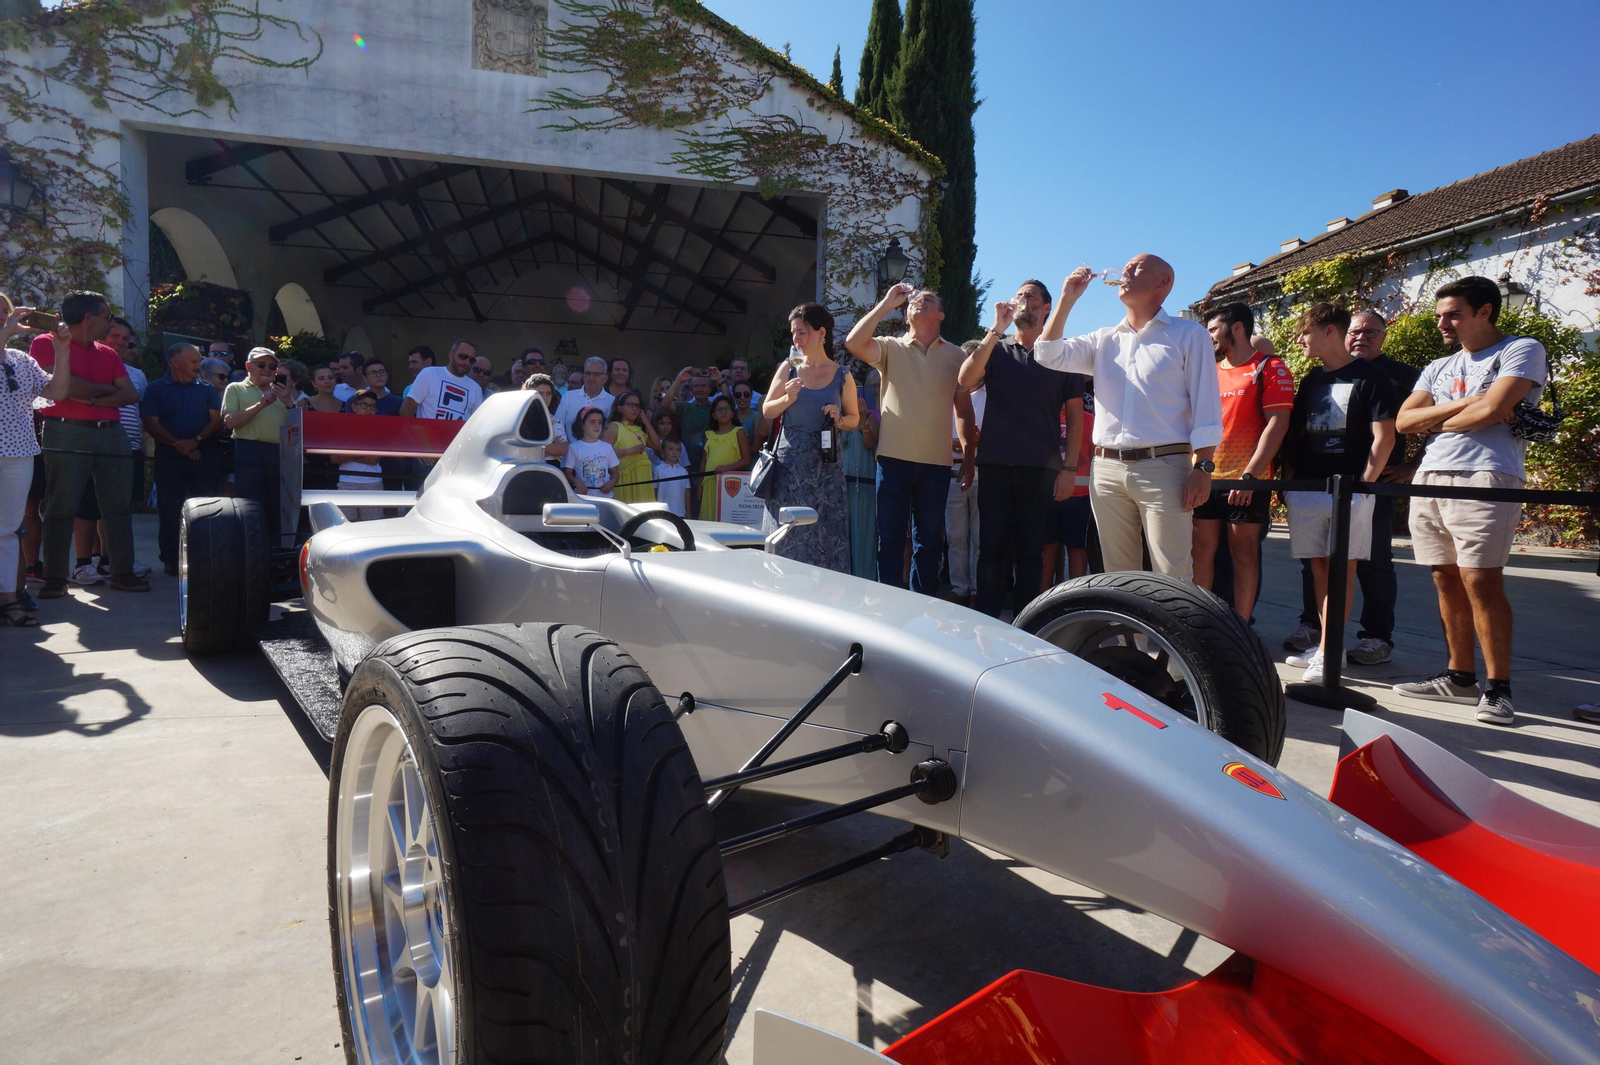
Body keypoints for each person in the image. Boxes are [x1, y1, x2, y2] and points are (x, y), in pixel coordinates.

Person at [1392, 277, 1547, 726]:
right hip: (1431, 475)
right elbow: (1404, 420)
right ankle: (1459, 677)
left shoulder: (1521, 349)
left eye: (1453, 314)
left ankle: (1499, 688)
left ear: (1485, 312)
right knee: (1444, 577)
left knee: (1481, 579)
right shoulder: (1439, 365)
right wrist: (1470, 405)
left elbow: (1494, 410)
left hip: (1487, 474)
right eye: (1440, 314)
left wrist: (1445, 416)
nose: (1443, 322)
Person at [1034, 257, 1223, 580]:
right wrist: (1067, 300)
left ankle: (1173, 633)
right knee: (1119, 575)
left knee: (1172, 572)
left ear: (1163, 282)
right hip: (1106, 469)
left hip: (1164, 467)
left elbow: (1207, 404)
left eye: (1136, 268)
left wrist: (1203, 466)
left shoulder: (1189, 334)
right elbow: (1047, 354)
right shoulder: (1104, 338)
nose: (1125, 272)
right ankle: (1130, 634)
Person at [1280, 302, 1397, 684]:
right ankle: (1326, 644)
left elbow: (1385, 436)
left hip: (1351, 490)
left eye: (1306, 332)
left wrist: (1364, 485)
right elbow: (1296, 433)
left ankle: (1331, 652)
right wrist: (1290, 482)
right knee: (1317, 565)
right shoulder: (1312, 380)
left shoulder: (1373, 376)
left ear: (1330, 331)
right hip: (1309, 487)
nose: (1300, 339)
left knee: (1343, 567)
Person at [959, 281, 1084, 617]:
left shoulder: (1062, 355)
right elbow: (966, 380)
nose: (1021, 301)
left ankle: (1025, 626)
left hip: (1040, 472)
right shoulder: (996, 350)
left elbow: (1075, 417)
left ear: (1046, 309)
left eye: (1030, 296)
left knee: (1032, 553)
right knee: (991, 551)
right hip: (996, 467)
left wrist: (1069, 469)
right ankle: (986, 620)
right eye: (1019, 295)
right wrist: (995, 331)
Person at [843, 283, 965, 593]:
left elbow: (964, 409)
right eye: (914, 300)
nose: (919, 301)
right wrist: (886, 304)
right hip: (893, 459)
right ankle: (888, 605)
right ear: (906, 313)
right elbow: (854, 342)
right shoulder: (890, 346)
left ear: (941, 314)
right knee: (891, 539)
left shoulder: (957, 355)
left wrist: (970, 456)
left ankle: (921, 607)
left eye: (929, 299)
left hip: (936, 463)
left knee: (928, 543)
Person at [30, 291, 147, 597]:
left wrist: (90, 394)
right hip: (65, 431)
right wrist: (106, 391)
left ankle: (122, 571)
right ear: (88, 318)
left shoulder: (107, 354)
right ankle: (56, 578)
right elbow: (62, 386)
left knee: (118, 507)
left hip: (112, 433)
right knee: (60, 506)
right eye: (108, 317)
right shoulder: (46, 342)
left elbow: (130, 395)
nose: (111, 324)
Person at [1194, 302, 1293, 624]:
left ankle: (1241, 628)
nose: (1208, 337)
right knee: (1200, 554)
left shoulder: (1271, 367)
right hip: (1207, 477)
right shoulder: (1208, 372)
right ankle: (1201, 623)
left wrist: (1249, 475)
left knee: (1244, 555)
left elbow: (1278, 424)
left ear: (1236, 327)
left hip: (1247, 479)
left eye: (1213, 329)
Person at [761, 303, 859, 571]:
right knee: (787, 539)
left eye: (801, 332)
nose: (796, 339)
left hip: (826, 468)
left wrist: (839, 419)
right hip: (788, 468)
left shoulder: (842, 374)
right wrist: (788, 397)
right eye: (794, 333)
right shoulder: (788, 368)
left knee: (826, 537)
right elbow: (767, 410)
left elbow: (854, 420)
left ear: (821, 333)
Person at [2, 302, 74, 625]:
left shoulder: (21, 360)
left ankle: (9, 601)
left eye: (4, 313)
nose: (5, 318)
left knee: (6, 532)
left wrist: (62, 349)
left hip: (18, 454)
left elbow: (58, 391)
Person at [141, 343, 223, 576]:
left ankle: (204, 556)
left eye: (199, 361)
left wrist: (195, 441)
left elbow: (215, 421)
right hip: (169, 457)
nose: (199, 365)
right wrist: (179, 445)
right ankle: (170, 559)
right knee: (170, 508)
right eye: (194, 361)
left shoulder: (207, 389)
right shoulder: (155, 389)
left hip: (204, 455)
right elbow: (151, 423)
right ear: (175, 362)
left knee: (206, 508)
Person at [222, 348, 294, 545]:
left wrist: (288, 401)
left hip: (278, 453)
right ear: (248, 366)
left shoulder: (284, 392)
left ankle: (276, 554)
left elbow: (298, 427)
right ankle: (249, 550)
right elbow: (229, 422)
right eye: (261, 365)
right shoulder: (235, 388)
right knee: (250, 506)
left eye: (272, 366)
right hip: (248, 450)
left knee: (277, 507)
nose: (267, 369)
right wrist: (261, 405)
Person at [947, 343, 985, 604]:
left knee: (981, 535)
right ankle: (959, 588)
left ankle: (977, 589)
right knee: (955, 534)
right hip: (951, 468)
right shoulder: (949, 393)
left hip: (984, 469)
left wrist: (980, 441)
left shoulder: (993, 395)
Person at [842, 361, 881, 580]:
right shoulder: (837, 418)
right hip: (843, 483)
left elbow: (869, 443)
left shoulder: (872, 416)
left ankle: (865, 580)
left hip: (865, 484)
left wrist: (864, 418)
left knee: (864, 533)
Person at [330, 389, 386, 520]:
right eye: (364, 405)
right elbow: (335, 458)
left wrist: (349, 452)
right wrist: (363, 452)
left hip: (372, 482)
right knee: (345, 524)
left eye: (373, 406)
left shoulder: (380, 428)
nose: (368, 409)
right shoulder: (343, 428)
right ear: (354, 407)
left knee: (372, 524)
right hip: (346, 482)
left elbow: (373, 459)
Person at [697, 394, 752, 521]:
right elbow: (703, 462)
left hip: (729, 485)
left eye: (727, 409)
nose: (723, 412)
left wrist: (727, 468)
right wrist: (699, 486)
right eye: (719, 410)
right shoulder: (709, 435)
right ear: (713, 415)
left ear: (733, 413)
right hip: (710, 483)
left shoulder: (739, 432)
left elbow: (746, 460)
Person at [400, 340, 483, 421]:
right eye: (462, 356)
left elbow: (476, 423)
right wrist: (418, 434)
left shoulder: (475, 388)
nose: (467, 362)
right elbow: (406, 409)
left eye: (471, 360)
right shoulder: (430, 374)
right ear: (451, 354)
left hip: (458, 435)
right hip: (427, 434)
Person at [603, 389, 660, 505]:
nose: (635, 408)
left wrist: (646, 422)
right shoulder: (615, 427)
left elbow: (657, 446)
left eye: (637, 406)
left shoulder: (638, 430)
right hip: (626, 478)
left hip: (643, 477)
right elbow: (604, 453)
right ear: (620, 408)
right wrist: (630, 451)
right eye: (630, 405)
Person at [667, 365, 719, 479]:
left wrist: (720, 380)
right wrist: (678, 380)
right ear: (691, 389)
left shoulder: (716, 408)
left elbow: (730, 404)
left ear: (710, 389)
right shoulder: (685, 407)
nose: (700, 389)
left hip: (712, 465)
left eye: (703, 386)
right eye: (696, 386)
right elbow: (665, 404)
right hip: (688, 465)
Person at [563, 407, 619, 498]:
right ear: (582, 425)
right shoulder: (573, 448)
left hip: (607, 498)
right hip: (583, 498)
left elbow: (615, 473)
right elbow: (567, 473)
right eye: (592, 422)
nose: (597, 425)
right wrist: (576, 481)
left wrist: (611, 483)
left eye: (600, 422)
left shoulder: (607, 447)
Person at [553, 357, 615, 439]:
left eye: (596, 374)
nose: (591, 378)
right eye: (588, 373)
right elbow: (557, 425)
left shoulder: (611, 401)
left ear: (605, 378)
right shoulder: (568, 397)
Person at [522, 374, 569, 461]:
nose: (545, 398)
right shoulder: (521, 420)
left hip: (553, 468)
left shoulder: (555, 420)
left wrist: (537, 447)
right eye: (540, 393)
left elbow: (563, 449)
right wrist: (553, 445)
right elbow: (523, 448)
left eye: (548, 394)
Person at [652, 439, 690, 518]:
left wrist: (689, 511)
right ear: (663, 451)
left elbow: (687, 492)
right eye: (671, 449)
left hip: (680, 512)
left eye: (678, 450)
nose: (674, 452)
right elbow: (654, 491)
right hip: (662, 512)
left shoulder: (683, 471)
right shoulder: (658, 470)